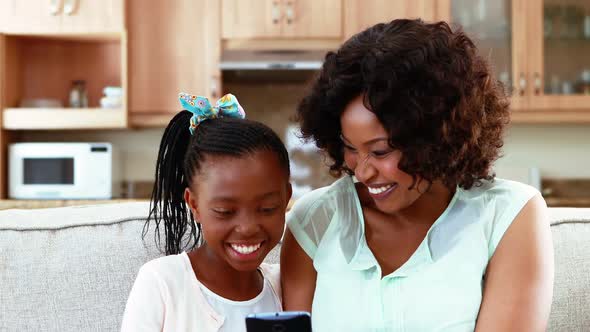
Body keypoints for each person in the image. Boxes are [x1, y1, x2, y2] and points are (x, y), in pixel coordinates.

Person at [281, 19, 554, 331]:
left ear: (435, 137)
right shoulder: (314, 221)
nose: (363, 170)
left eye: (381, 151)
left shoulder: (509, 215)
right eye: (350, 148)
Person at [121, 93, 292, 331]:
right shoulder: (162, 282)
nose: (248, 227)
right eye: (225, 211)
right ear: (194, 205)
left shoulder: (289, 286)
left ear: (286, 199)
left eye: (267, 209)